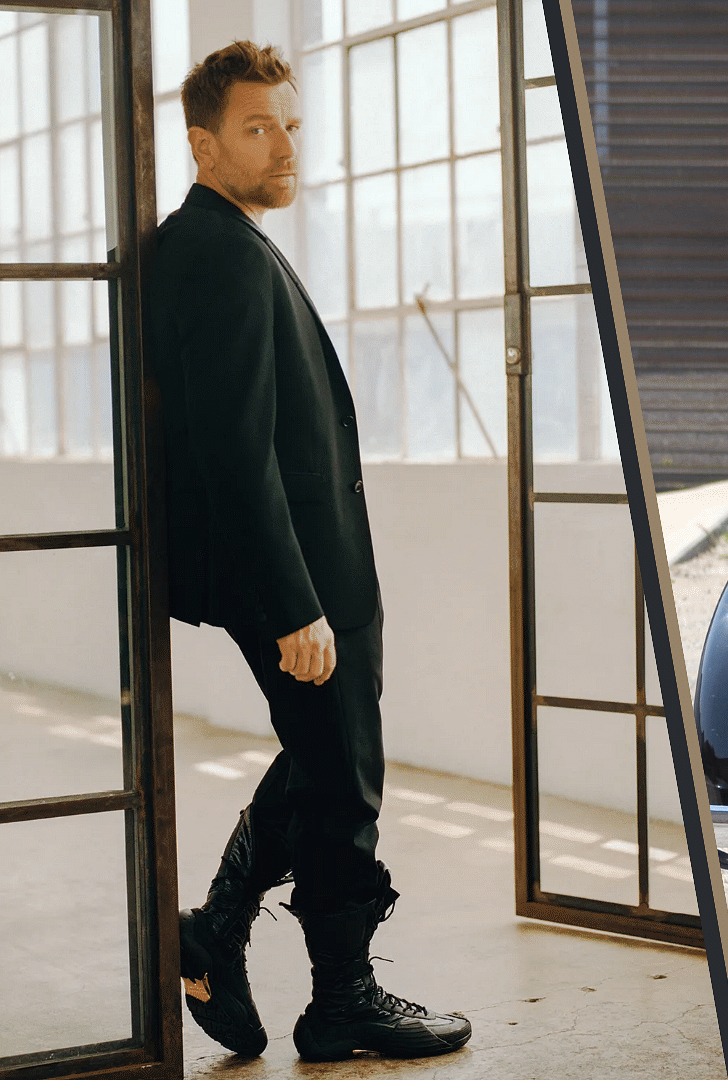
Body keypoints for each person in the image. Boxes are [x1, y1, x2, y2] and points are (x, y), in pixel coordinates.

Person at [148, 41, 470, 1062]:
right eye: (258, 127)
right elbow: (232, 452)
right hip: (297, 576)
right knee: (343, 778)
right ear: (203, 142)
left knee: (330, 758)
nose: (285, 146)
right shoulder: (214, 254)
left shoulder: (224, 239)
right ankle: (341, 999)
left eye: (291, 123)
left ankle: (217, 927)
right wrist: (293, 603)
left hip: (315, 568)